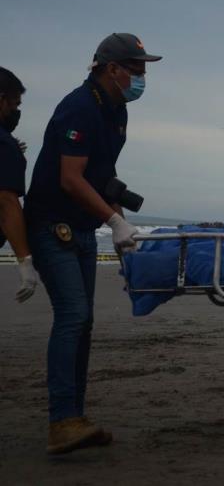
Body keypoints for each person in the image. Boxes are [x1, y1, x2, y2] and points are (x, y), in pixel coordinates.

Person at [24, 34, 162, 455]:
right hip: (52, 226)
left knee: (83, 322)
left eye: (143, 69)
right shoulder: (79, 107)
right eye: (135, 69)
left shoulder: (116, 110)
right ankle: (61, 421)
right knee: (73, 314)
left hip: (84, 227)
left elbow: (102, 173)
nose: (141, 76)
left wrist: (118, 212)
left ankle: (74, 418)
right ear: (110, 68)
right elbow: (70, 178)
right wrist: (113, 220)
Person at [0, 67, 38, 303]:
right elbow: (6, 203)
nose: (16, 111)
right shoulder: (4, 144)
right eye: (14, 104)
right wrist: (25, 262)